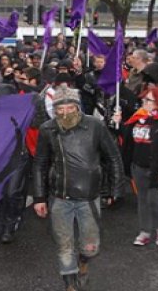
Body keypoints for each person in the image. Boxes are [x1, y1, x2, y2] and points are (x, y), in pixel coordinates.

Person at [33, 87, 125, 291]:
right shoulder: (47, 129)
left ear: (78, 106)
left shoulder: (95, 126)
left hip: (88, 198)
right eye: (60, 109)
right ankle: (70, 286)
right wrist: (39, 197)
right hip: (60, 197)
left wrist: (115, 189)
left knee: (90, 247)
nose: (65, 113)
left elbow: (113, 157)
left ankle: (83, 263)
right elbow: (40, 163)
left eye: (69, 107)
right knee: (64, 246)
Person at [117, 85, 158, 247]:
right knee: (142, 200)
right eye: (144, 99)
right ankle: (145, 231)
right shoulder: (138, 118)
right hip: (138, 166)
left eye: (148, 100)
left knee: (155, 201)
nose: (144, 103)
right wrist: (119, 124)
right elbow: (127, 139)